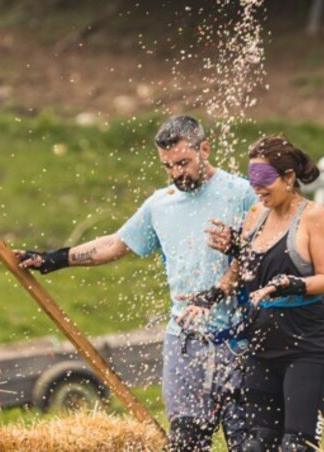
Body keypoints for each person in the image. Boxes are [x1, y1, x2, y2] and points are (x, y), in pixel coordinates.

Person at [15, 115, 257, 451]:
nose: (177, 173)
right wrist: (53, 259)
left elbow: (268, 252)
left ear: (205, 148)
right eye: (168, 166)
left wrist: (237, 250)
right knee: (186, 441)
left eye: (183, 163)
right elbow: (116, 244)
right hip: (186, 342)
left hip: (240, 341)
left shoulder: (242, 193)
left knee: (250, 443)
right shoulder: (161, 204)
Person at [181, 136, 324, 451]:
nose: (258, 188)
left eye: (265, 180)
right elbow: (245, 267)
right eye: (253, 180)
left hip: (306, 346)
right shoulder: (256, 214)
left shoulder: (313, 217)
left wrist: (292, 283)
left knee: (296, 445)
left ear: (289, 177)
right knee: (256, 445)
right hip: (262, 346)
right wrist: (213, 293)